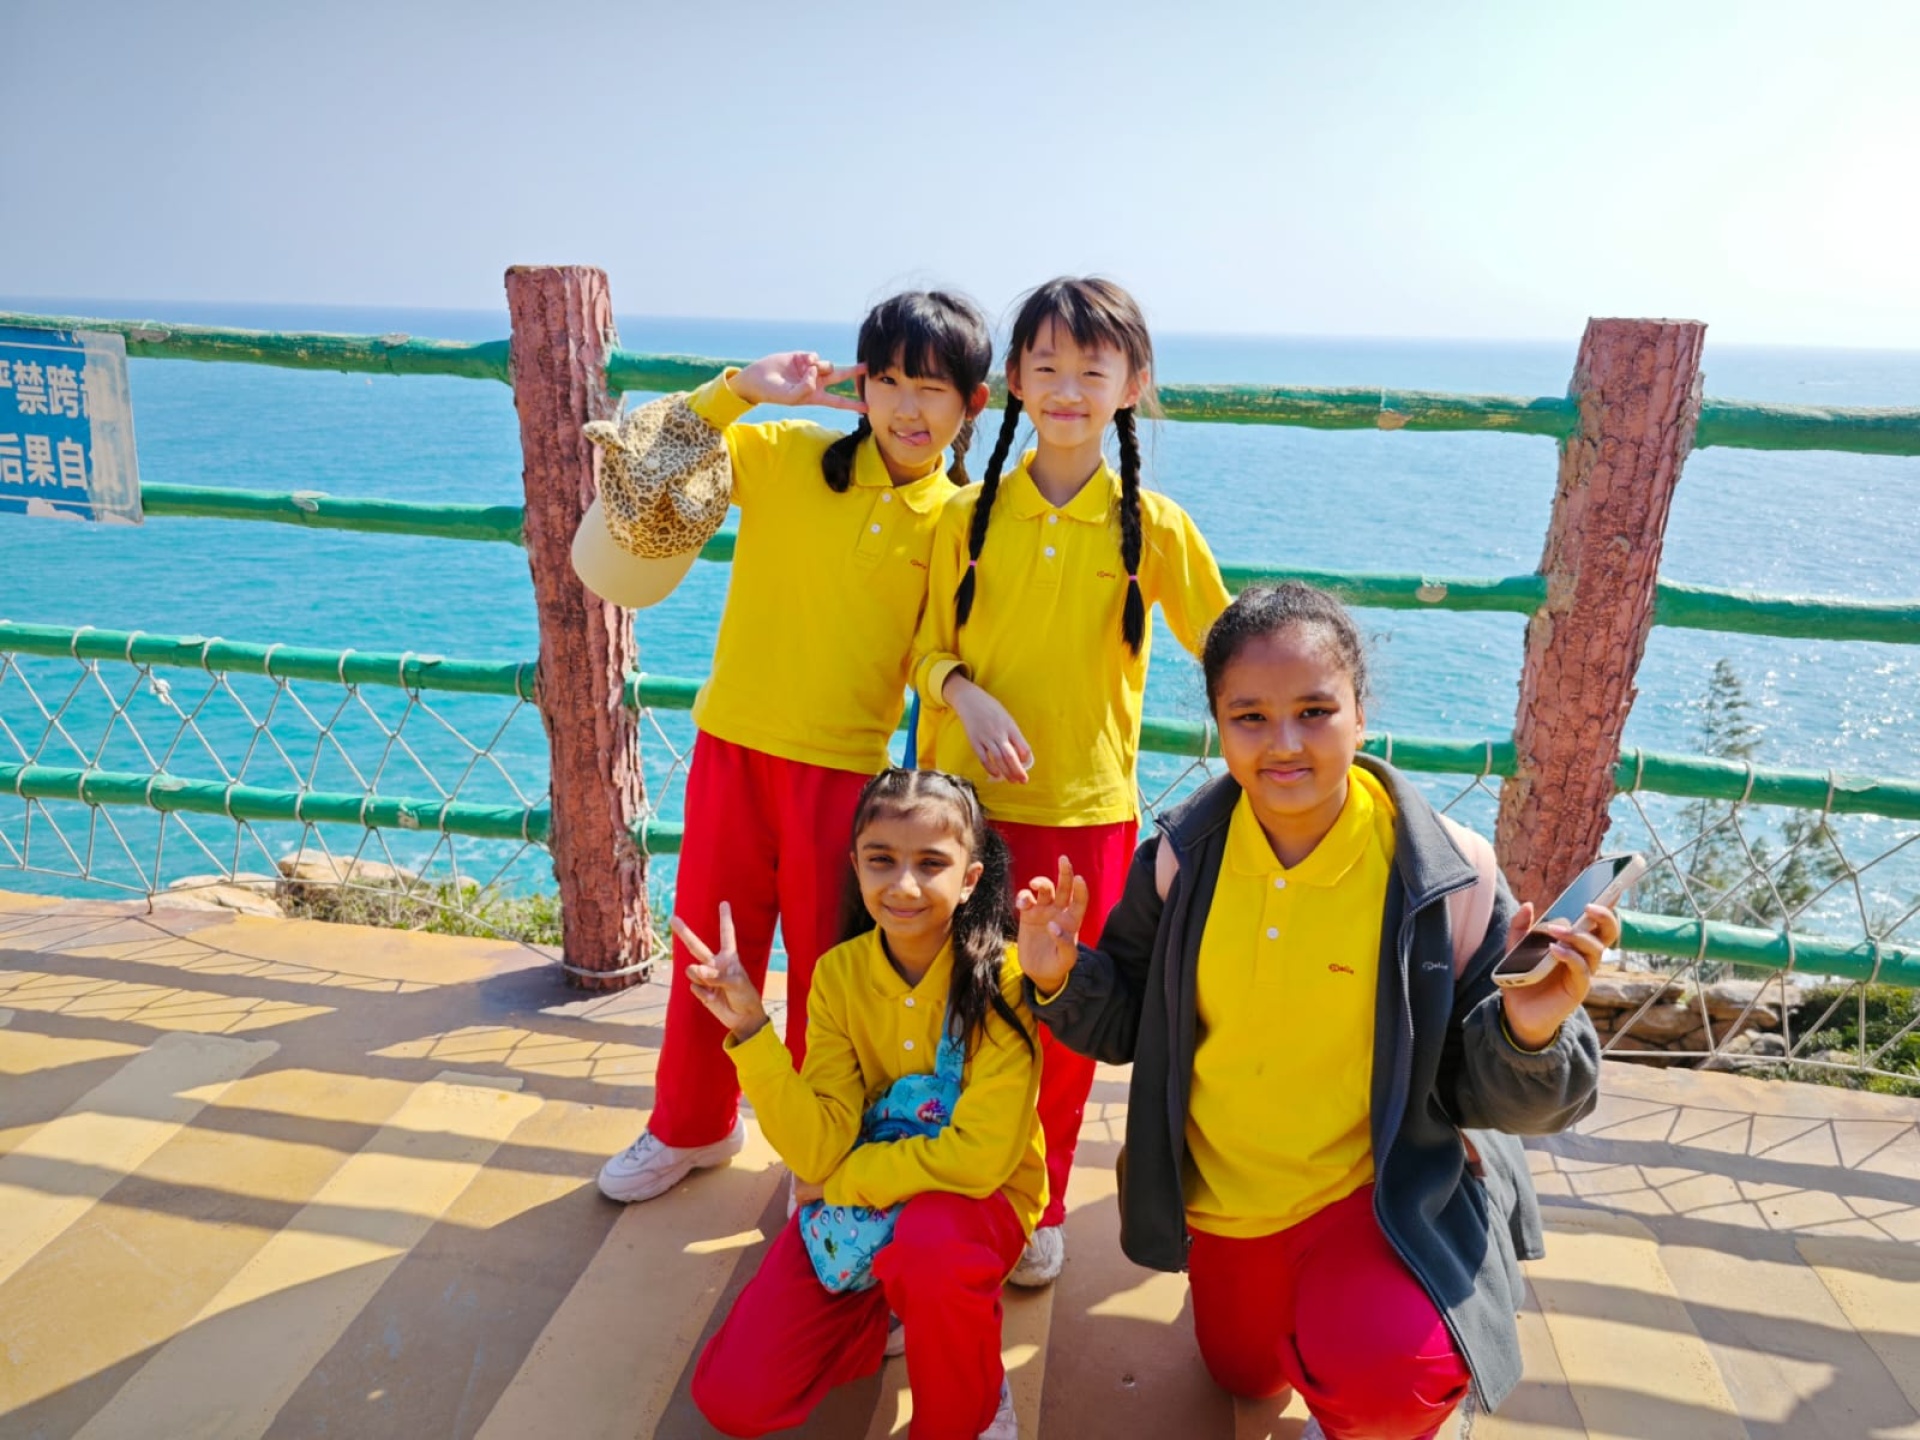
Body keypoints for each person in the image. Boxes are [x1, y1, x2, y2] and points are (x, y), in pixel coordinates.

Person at [1013, 583, 1614, 1440]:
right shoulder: (1180, 862)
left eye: (1315, 711)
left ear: (1361, 715)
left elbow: (1503, 1098)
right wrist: (1062, 978)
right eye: (1250, 717)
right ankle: (1309, 1325)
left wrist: (1530, 1030)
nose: (1284, 743)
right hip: (1226, 1209)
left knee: (1388, 1383)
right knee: (1243, 1376)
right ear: (1218, 727)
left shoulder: (1445, 875)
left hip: (1372, 1198)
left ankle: (1391, 1353)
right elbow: (1123, 1022)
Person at [592, 293, 995, 1204]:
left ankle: (822, 1149)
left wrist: (961, 698)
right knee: (708, 952)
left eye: (931, 388)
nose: (906, 408)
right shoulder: (784, 453)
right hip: (733, 745)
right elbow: (647, 463)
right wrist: (740, 389)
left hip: (846, 775)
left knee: (828, 973)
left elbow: (932, 651)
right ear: (860, 385)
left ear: (971, 403)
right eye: (887, 381)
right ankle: (691, 1125)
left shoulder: (959, 520)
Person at [911, 276, 1231, 1285]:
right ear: (1013, 379)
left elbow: (1232, 653)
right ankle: (944, 1183)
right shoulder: (965, 517)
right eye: (1044, 366)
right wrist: (965, 695)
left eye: (1092, 370)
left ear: (1132, 385)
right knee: (954, 1010)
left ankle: (1039, 1204)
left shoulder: (1156, 529)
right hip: (963, 820)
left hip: (1088, 818)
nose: (1065, 389)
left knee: (1063, 1025)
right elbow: (924, 653)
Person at [684, 768, 1044, 1440]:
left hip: (977, 1200)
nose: (903, 885)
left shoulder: (1005, 980)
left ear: (970, 878)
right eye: (882, 859)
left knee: (933, 1252)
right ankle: (893, 1311)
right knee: (734, 1398)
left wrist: (844, 1183)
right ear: (856, 866)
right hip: (865, 1210)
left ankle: (970, 1388)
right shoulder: (837, 975)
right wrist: (752, 1032)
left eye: (931, 863)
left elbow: (979, 1160)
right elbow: (818, 1147)